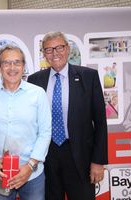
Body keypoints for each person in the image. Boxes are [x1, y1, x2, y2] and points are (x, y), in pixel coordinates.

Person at [27, 31, 108, 200]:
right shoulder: (34, 80)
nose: (54, 53)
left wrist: (98, 161)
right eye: (48, 50)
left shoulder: (88, 77)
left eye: (59, 47)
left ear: (68, 48)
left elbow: (100, 122)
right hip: (46, 157)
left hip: (80, 158)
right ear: (44, 54)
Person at [0, 45, 51, 200]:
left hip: (32, 174)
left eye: (17, 62)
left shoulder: (38, 94)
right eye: (6, 63)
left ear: (23, 66)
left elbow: (45, 132)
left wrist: (30, 166)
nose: (12, 68)